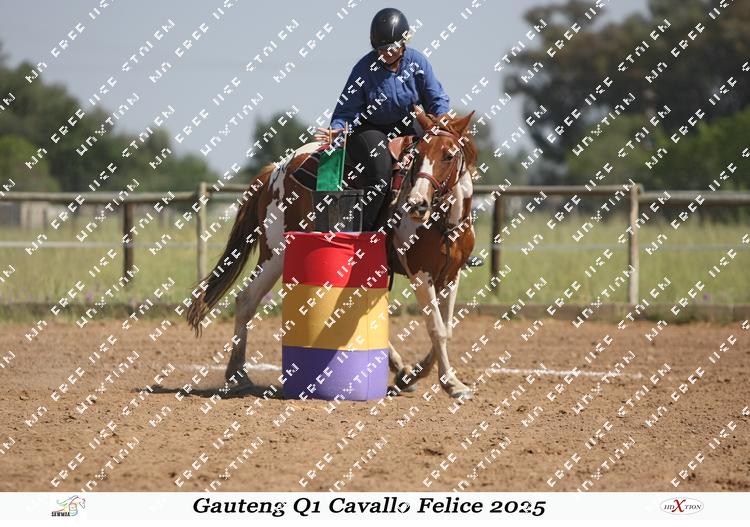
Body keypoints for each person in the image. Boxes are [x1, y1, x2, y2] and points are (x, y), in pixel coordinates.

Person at [313, 7, 450, 232]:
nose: (385, 53)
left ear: (404, 43)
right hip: (369, 129)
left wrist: (443, 124)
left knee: (440, 161)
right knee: (381, 173)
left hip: (408, 124)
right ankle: (363, 232)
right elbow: (345, 111)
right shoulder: (363, 69)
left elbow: (437, 100)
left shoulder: (418, 62)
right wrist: (337, 129)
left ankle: (448, 230)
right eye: (381, 49)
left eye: (391, 48)